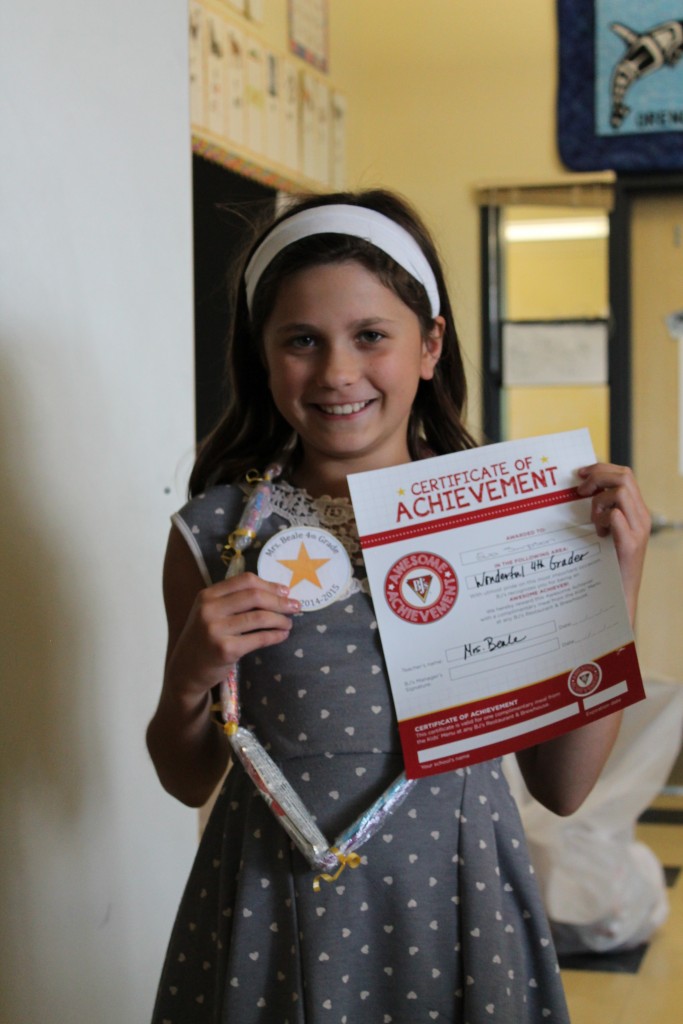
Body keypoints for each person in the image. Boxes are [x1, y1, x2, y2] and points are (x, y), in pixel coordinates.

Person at [147, 189, 651, 1023]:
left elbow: (561, 787)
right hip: (273, 908)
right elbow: (186, 773)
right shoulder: (214, 533)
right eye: (301, 341)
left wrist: (614, 581)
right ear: (263, 356)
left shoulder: (513, 528)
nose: (337, 372)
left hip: (456, 908)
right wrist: (187, 682)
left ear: (430, 345)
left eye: (370, 335)